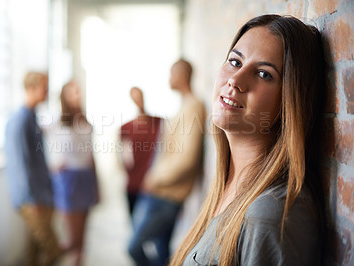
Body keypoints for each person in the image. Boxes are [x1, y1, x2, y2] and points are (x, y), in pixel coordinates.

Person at [170, 14, 328, 266]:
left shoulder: (271, 215)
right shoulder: (228, 182)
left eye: (264, 74)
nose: (235, 80)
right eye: (235, 61)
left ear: (289, 101)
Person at [128, 59, 206, 266]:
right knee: (163, 250)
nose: (169, 79)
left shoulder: (194, 107)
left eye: (172, 73)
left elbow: (187, 158)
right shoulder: (184, 106)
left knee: (134, 246)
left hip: (166, 194)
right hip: (161, 191)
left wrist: (155, 178)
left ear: (181, 75)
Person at [5, 72, 63, 266]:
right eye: (43, 87)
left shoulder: (33, 118)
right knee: (53, 250)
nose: (47, 92)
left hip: (42, 195)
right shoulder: (19, 121)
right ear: (30, 88)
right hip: (32, 200)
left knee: (33, 253)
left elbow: (36, 160)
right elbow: (20, 164)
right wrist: (31, 199)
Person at [45, 80, 99, 266]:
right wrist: (53, 166)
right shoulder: (56, 121)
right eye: (72, 92)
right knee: (72, 239)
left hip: (85, 179)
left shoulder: (85, 122)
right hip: (67, 180)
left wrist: (97, 185)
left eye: (78, 91)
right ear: (64, 97)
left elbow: (90, 156)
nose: (76, 95)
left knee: (81, 241)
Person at [120, 86, 163, 216]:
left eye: (139, 96)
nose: (138, 100)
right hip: (134, 186)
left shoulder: (159, 123)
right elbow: (126, 160)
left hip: (155, 187)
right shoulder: (126, 128)